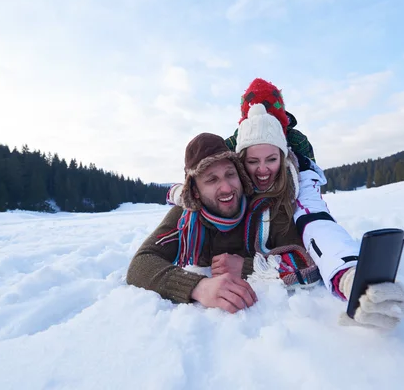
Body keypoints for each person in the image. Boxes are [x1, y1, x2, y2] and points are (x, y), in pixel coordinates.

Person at [166, 78, 404, 330]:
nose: (261, 170)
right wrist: (181, 194)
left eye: (271, 159)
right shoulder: (220, 182)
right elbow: (147, 259)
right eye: (252, 161)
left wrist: (348, 275)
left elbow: (315, 225)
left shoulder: (295, 184)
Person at [126, 133, 319, 314]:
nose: (227, 188)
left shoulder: (267, 210)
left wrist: (247, 267)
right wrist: (198, 287)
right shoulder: (186, 219)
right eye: (212, 180)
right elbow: (141, 263)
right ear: (195, 190)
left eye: (230, 174)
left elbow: (305, 261)